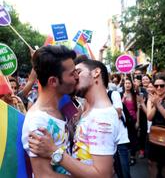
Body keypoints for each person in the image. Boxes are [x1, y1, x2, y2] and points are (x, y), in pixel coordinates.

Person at [28, 58, 121, 178]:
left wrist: (54, 151)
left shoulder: (102, 116)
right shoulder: (90, 111)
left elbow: (103, 175)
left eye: (79, 72)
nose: (75, 78)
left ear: (96, 72)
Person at [21, 45, 78, 176]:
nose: (77, 76)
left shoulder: (61, 107)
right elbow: (44, 175)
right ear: (53, 81)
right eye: (72, 73)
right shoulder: (38, 121)